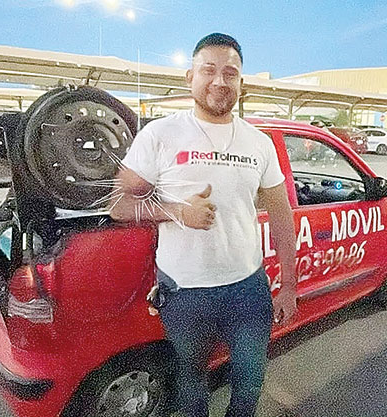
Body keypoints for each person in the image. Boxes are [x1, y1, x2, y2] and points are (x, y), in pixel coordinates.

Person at [109, 33, 297, 417]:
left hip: (247, 288)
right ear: (190, 77)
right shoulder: (160, 134)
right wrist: (178, 212)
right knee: (191, 378)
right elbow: (118, 204)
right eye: (208, 70)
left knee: (250, 380)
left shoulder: (258, 142)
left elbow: (281, 214)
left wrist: (289, 288)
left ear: (241, 82)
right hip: (184, 292)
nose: (219, 81)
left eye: (231, 73)